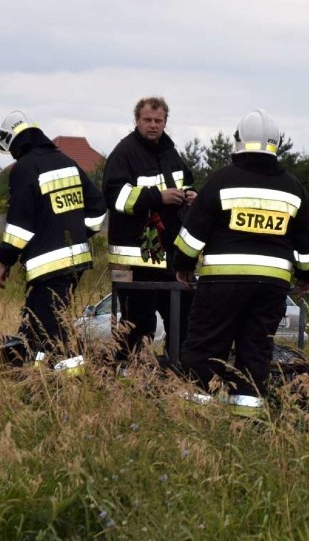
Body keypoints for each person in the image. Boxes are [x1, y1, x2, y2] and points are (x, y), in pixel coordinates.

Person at [173, 109, 309, 416]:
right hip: (272, 286)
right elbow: (308, 242)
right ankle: (248, 420)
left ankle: (200, 418)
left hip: (221, 283)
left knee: (205, 349)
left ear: (238, 141)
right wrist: (307, 276)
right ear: (276, 143)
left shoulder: (221, 181)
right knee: (255, 353)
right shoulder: (294, 188)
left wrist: (183, 265)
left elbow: (192, 234)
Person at [0, 110, 106, 372]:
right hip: (75, 264)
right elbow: (98, 210)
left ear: (13, 141)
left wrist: (3, 261)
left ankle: (72, 382)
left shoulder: (24, 168)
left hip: (49, 268)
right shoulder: (67, 162)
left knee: (53, 331)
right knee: (35, 323)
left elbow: (20, 225)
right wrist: (76, 232)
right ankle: (30, 378)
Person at [102, 97, 196, 362]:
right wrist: (158, 197)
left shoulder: (169, 151)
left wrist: (190, 194)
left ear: (166, 122)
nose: (153, 126)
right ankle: (129, 374)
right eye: (147, 120)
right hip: (136, 259)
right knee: (138, 324)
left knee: (183, 318)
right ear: (137, 120)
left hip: (168, 256)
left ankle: (177, 371)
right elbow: (115, 197)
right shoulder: (124, 153)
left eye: (158, 121)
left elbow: (185, 181)